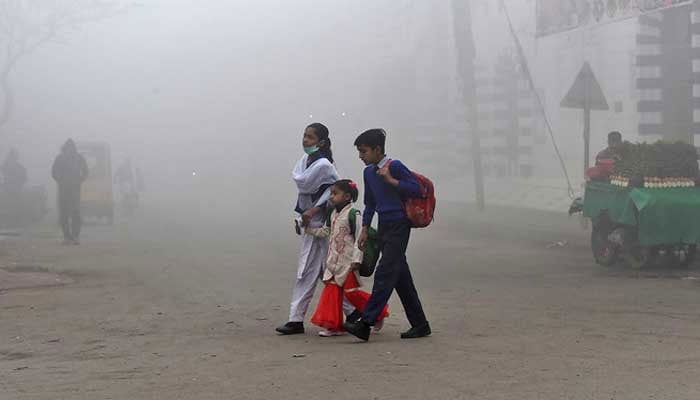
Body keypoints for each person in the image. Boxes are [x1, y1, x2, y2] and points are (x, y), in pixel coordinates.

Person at [343, 128, 431, 341]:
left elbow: (417, 189)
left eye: (364, 151)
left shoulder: (395, 166)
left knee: (385, 272)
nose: (360, 156)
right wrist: (364, 228)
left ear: (377, 149)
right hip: (383, 225)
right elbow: (370, 203)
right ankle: (420, 324)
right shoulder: (368, 173)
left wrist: (391, 180)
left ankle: (366, 322)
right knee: (400, 277)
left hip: (400, 224)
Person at [276, 123, 359, 335]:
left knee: (308, 272)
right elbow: (304, 194)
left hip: (323, 226)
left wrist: (315, 210)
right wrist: (301, 217)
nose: (305, 140)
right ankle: (354, 313)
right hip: (310, 226)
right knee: (327, 273)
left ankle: (296, 319)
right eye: (304, 135)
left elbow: (336, 193)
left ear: (321, 142)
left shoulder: (324, 166)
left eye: (310, 137)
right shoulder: (304, 162)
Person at [305, 179, 389, 337]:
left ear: (347, 196)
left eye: (335, 194)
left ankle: (378, 313)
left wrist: (357, 260)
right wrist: (308, 229)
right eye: (331, 194)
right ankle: (333, 326)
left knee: (351, 293)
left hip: (348, 262)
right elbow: (326, 231)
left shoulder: (353, 214)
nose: (331, 197)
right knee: (332, 292)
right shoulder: (333, 214)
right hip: (333, 262)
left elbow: (360, 238)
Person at [51, 139, 88, 245]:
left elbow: (85, 171)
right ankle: (67, 237)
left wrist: (79, 180)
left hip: (74, 189)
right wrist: (60, 180)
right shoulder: (60, 158)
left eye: (71, 147)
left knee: (75, 213)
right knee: (64, 214)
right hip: (64, 189)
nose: (70, 149)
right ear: (65, 148)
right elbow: (54, 172)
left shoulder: (78, 158)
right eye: (68, 147)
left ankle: (75, 236)